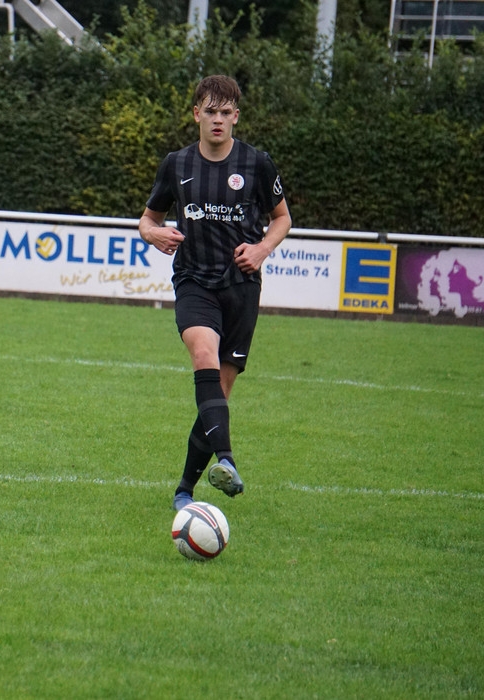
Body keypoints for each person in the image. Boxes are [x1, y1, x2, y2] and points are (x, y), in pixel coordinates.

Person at [138, 75, 292, 510]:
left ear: (236, 117)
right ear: (196, 115)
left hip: (241, 287)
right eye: (210, 111)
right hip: (194, 281)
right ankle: (227, 459)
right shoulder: (176, 164)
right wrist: (153, 234)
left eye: (226, 112)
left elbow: (282, 218)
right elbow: (147, 219)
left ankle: (184, 489)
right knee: (203, 355)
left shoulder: (257, 163)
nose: (218, 119)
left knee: (217, 395)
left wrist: (262, 249)